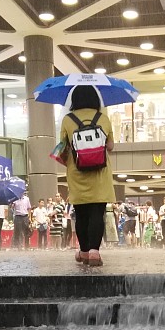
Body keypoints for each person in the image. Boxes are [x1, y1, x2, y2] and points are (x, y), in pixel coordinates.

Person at [59, 85, 115, 266]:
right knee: (97, 212)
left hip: (77, 173)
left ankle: (83, 252)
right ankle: (94, 252)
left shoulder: (68, 120)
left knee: (81, 213)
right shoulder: (103, 118)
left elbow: (63, 148)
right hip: (100, 173)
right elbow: (111, 146)